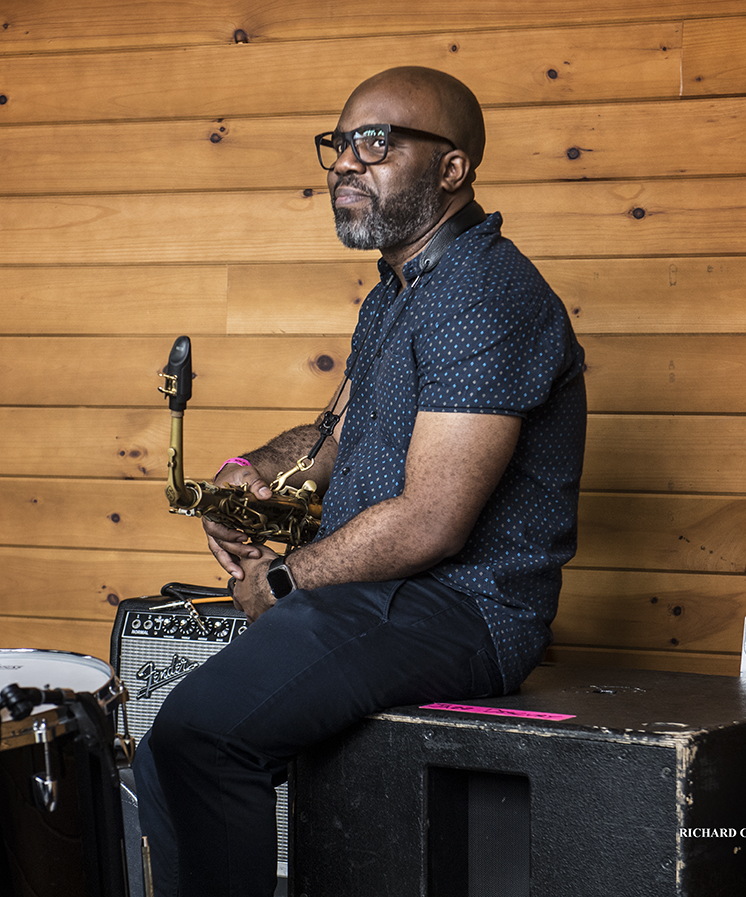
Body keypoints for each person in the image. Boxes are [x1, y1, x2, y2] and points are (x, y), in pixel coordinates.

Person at [133, 65, 586, 896]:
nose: (345, 161)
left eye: (375, 141)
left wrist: (283, 576)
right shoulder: (401, 290)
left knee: (200, 737)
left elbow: (431, 522)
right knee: (185, 739)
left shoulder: (486, 295)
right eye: (339, 144)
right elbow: (344, 433)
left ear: (453, 169)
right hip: (392, 596)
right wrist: (255, 468)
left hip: (464, 607)